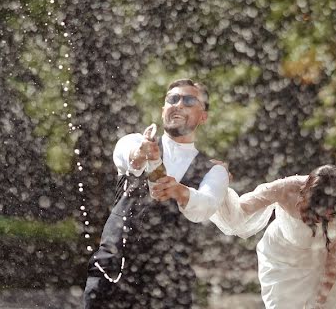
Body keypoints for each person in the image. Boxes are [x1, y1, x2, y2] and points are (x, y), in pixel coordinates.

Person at [84, 78, 230, 309]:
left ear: (203, 116)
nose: (179, 104)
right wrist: (143, 153)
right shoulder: (133, 141)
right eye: (173, 99)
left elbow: (205, 206)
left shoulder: (214, 171)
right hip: (113, 271)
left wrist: (180, 191)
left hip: (167, 283)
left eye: (189, 100)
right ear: (163, 110)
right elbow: (128, 156)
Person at [210, 164, 336, 308]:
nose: (326, 214)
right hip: (282, 259)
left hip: (321, 258)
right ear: (307, 196)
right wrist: (218, 184)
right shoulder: (286, 189)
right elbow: (239, 212)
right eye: (321, 208)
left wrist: (320, 298)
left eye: (332, 211)